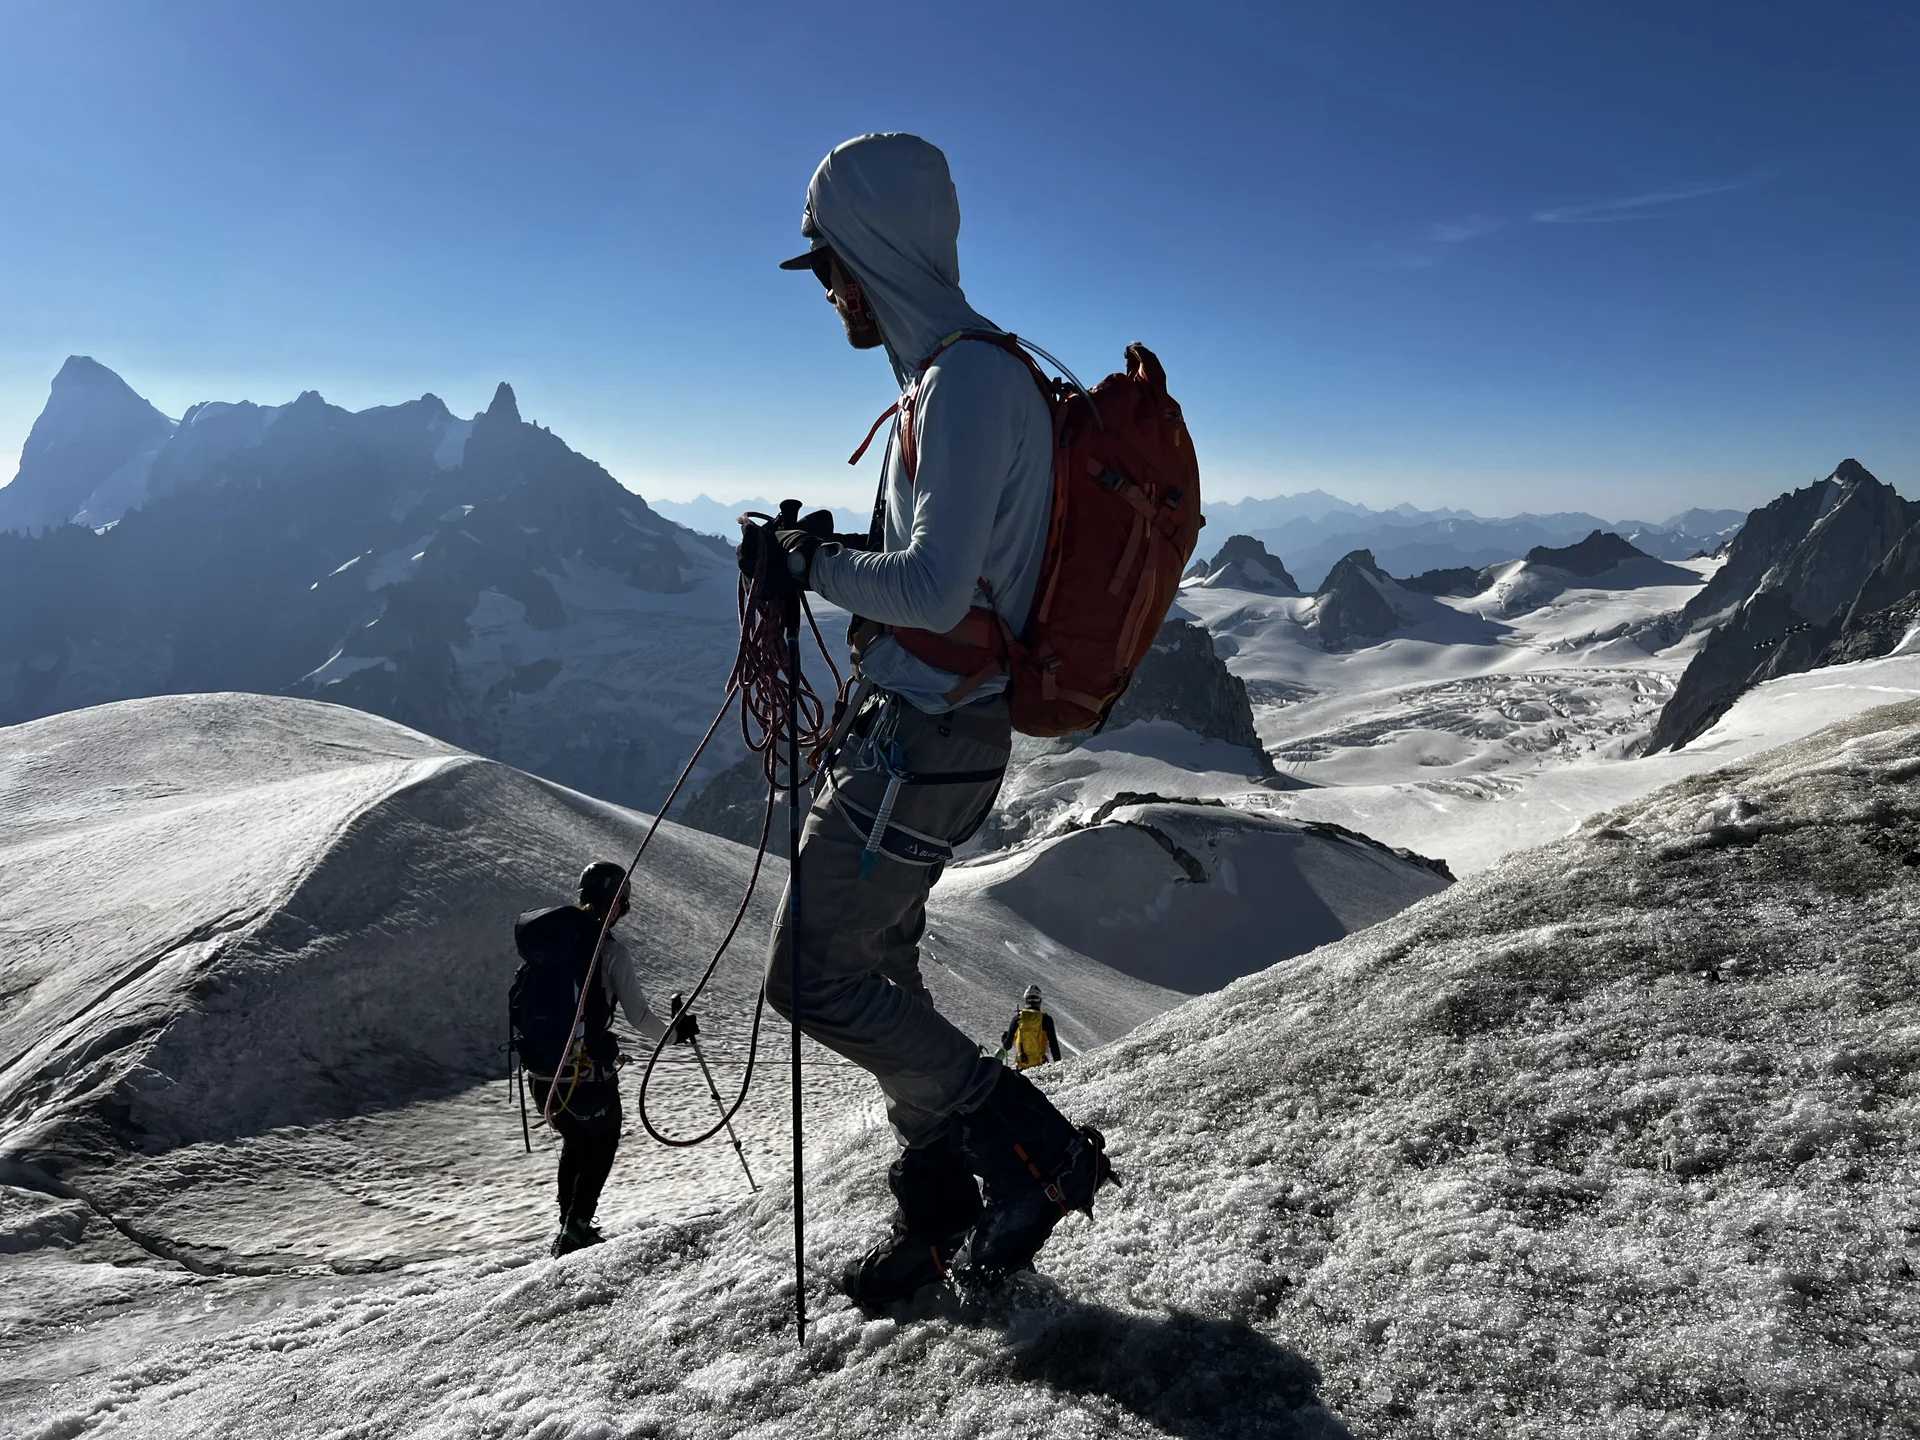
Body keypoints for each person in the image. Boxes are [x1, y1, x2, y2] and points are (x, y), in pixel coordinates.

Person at [752, 133, 1111, 1311]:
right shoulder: (954, 381)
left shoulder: (965, 385)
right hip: (923, 735)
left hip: (925, 738)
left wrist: (812, 565)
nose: (832, 294)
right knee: (882, 975)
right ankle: (942, 1216)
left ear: (872, 251)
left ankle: (1026, 1145)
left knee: (811, 977)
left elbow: (935, 590)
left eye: (834, 268)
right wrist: (826, 560)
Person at [513, 861, 694, 1258]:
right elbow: (640, 1017)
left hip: (542, 1077)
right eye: (624, 904)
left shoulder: (549, 945)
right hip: (585, 1076)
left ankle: (569, 1224)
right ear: (614, 903)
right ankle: (576, 1229)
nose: (624, 912)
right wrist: (677, 1034)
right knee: (604, 1140)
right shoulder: (609, 952)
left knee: (576, 1142)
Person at [1002, 985, 1061, 1071]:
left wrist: (1004, 1038)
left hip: (1021, 1068)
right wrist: (1059, 1067)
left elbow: (1007, 1046)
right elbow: (1054, 1046)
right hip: (1040, 1068)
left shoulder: (1018, 1018)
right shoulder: (1046, 1019)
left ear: (1026, 1000)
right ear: (1040, 1000)